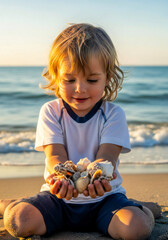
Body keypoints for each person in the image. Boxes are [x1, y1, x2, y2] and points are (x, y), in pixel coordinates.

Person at [3, 23, 155, 240]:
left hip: (105, 198)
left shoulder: (113, 114)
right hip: (58, 199)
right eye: (69, 79)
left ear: (108, 77)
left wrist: (96, 177)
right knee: (19, 221)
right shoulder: (51, 111)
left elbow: (108, 156)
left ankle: (145, 210)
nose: (80, 88)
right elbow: (54, 154)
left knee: (136, 229)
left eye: (92, 80)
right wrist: (62, 178)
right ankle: (14, 203)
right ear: (55, 76)